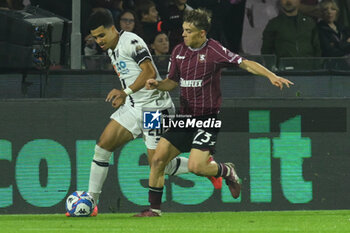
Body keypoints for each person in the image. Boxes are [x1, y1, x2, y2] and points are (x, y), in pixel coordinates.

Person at [134, 9, 294, 217]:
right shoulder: (178, 52)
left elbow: (245, 63)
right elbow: (171, 83)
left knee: (196, 167)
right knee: (157, 159)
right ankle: (154, 210)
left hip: (207, 118)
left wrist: (270, 75)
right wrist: (157, 84)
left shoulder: (214, 50)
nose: (183, 34)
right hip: (185, 118)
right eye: (183, 30)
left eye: (189, 31)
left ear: (202, 34)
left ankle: (227, 170)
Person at [67, 8, 221, 217]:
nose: (100, 41)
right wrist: (128, 95)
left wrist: (124, 91)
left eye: (102, 35)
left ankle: (208, 167)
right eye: (96, 37)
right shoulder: (112, 48)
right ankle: (92, 202)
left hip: (154, 108)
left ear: (113, 29)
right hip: (133, 106)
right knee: (103, 146)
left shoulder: (131, 42)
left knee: (159, 166)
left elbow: (149, 72)